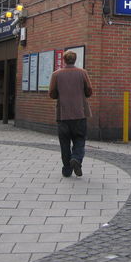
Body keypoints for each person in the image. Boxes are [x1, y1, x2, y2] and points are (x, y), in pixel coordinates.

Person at [49, 50, 93, 178]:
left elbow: (52, 93)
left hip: (63, 115)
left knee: (64, 143)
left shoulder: (56, 74)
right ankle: (76, 159)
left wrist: (60, 94)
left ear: (64, 60)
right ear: (75, 59)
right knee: (80, 139)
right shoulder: (82, 73)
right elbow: (89, 90)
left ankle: (67, 169)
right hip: (80, 113)